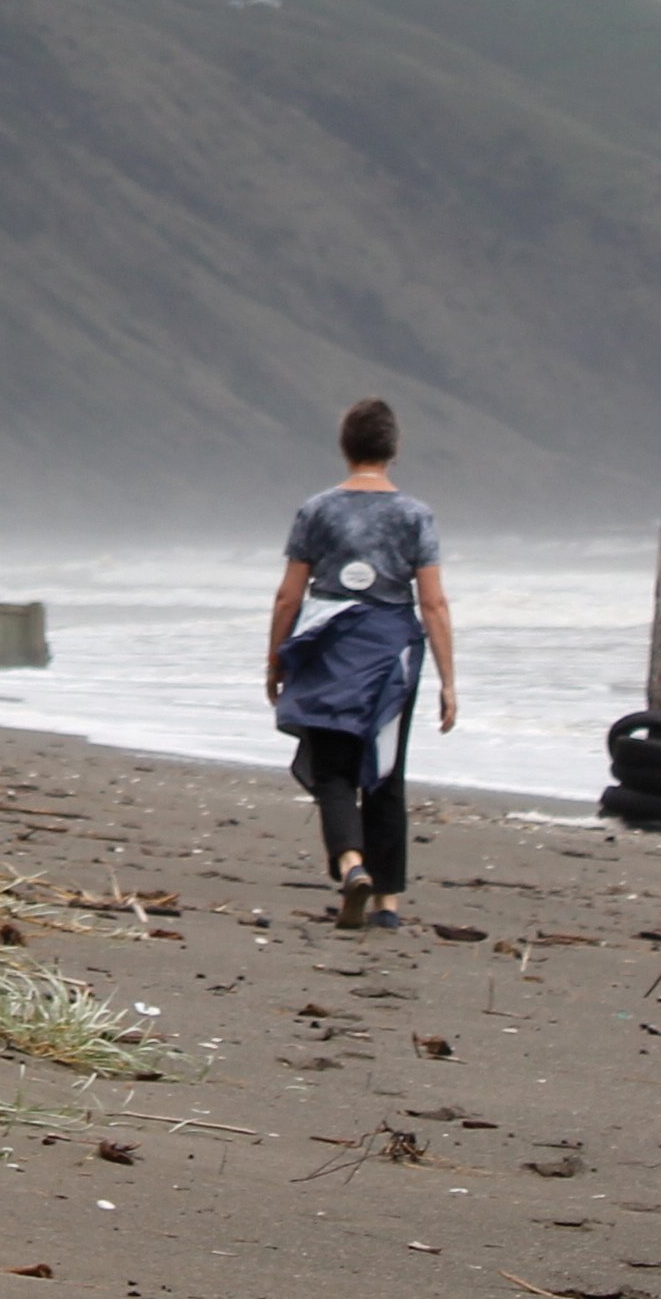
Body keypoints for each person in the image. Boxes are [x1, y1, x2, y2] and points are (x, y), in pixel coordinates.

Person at [265, 397, 458, 929]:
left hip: (328, 644)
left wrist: (275, 660)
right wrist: (447, 680)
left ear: (345, 448)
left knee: (331, 768)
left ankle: (351, 863)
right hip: (392, 649)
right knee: (386, 769)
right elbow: (433, 603)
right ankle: (388, 906)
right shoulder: (416, 516)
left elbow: (289, 596)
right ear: (392, 451)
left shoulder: (317, 510)